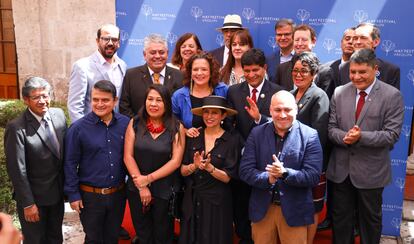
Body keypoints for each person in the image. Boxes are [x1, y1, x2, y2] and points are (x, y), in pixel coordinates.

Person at [327, 48, 404, 244]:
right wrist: (346, 137)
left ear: (375, 69)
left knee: (370, 223)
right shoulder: (339, 92)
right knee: (340, 221)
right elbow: (331, 129)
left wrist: (361, 137)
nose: (356, 76)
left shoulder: (392, 95)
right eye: (353, 72)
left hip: (372, 173)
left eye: (362, 72)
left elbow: (391, 135)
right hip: (340, 172)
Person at [239, 90, 322, 244]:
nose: (282, 115)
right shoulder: (256, 134)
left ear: (296, 109)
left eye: (287, 109)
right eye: (277, 110)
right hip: (263, 211)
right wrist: (268, 178)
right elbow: (245, 171)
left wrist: (285, 173)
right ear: (270, 110)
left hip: (295, 211)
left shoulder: (310, 136)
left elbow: (313, 176)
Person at [227, 48, 282, 244]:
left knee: (262, 201)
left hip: (267, 159)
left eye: (255, 70)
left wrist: (259, 118)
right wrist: (243, 147)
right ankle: (244, 236)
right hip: (241, 158)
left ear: (265, 68)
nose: (251, 75)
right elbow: (228, 125)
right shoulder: (233, 91)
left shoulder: (277, 91)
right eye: (247, 70)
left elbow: (282, 123)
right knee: (240, 201)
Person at [64, 80, 130, 243]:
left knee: (112, 238)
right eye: (95, 99)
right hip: (90, 198)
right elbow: (70, 163)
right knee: (93, 239)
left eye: (105, 100)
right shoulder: (78, 128)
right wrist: (73, 195)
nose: (99, 104)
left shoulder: (126, 124)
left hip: (118, 195)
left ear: (115, 101)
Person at [5, 77, 67, 244]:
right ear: (26, 100)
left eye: (45, 96)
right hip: (34, 200)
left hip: (57, 195)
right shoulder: (16, 127)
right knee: (35, 240)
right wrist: (28, 204)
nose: (42, 101)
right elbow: (17, 169)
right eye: (36, 97)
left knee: (55, 238)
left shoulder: (59, 115)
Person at [123, 84, 185, 244]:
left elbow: (176, 161)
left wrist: (148, 179)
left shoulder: (176, 127)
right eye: (150, 99)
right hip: (137, 187)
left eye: (159, 100)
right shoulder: (134, 123)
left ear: (167, 103)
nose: (153, 104)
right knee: (143, 234)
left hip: (165, 190)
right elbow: (128, 156)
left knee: (163, 234)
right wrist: (142, 185)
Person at [179, 95, 240, 244]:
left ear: (223, 115)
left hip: (217, 203)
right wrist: (194, 166)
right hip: (193, 200)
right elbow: (182, 170)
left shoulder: (231, 140)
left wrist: (210, 168)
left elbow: (227, 177)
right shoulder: (194, 136)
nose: (209, 116)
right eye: (206, 112)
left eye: (214, 113)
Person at [290, 52, 329, 243]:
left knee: (312, 207)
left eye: (303, 71)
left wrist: (304, 161)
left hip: (311, 164)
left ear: (313, 73)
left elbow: (319, 136)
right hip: (291, 164)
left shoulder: (319, 96)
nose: (298, 74)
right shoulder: (289, 95)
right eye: (295, 70)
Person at [319, 27, 355, 231]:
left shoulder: (363, 68)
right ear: (341, 42)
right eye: (346, 38)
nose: (350, 42)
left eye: (354, 39)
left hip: (354, 135)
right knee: (334, 179)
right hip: (331, 134)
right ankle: (330, 216)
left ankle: (353, 221)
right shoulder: (328, 68)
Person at [67, 24, 127, 122]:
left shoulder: (122, 66)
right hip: (92, 129)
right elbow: (75, 106)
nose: (110, 43)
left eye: (114, 39)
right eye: (106, 39)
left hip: (116, 129)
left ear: (119, 43)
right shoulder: (82, 66)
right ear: (97, 41)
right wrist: (84, 131)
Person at [120, 33, 183, 118]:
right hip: (139, 129)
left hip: (171, 129)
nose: (157, 56)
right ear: (145, 54)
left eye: (161, 52)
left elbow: (183, 108)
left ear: (167, 53)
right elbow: (124, 107)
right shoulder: (131, 75)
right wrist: (139, 125)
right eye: (153, 52)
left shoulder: (179, 76)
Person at [172, 52, 228, 136]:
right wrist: (185, 131)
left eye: (204, 69)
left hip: (221, 144)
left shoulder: (224, 90)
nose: (199, 73)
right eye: (195, 69)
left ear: (211, 71)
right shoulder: (179, 96)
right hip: (190, 145)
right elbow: (171, 122)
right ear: (190, 72)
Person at [274, 24, 334, 98]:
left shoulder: (324, 72)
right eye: (297, 40)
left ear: (313, 41)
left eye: (304, 40)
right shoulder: (282, 68)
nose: (299, 43)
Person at [339, 23, 400, 89]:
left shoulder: (390, 70)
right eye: (355, 38)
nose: (358, 42)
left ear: (375, 42)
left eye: (363, 38)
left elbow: (393, 97)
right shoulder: (343, 68)